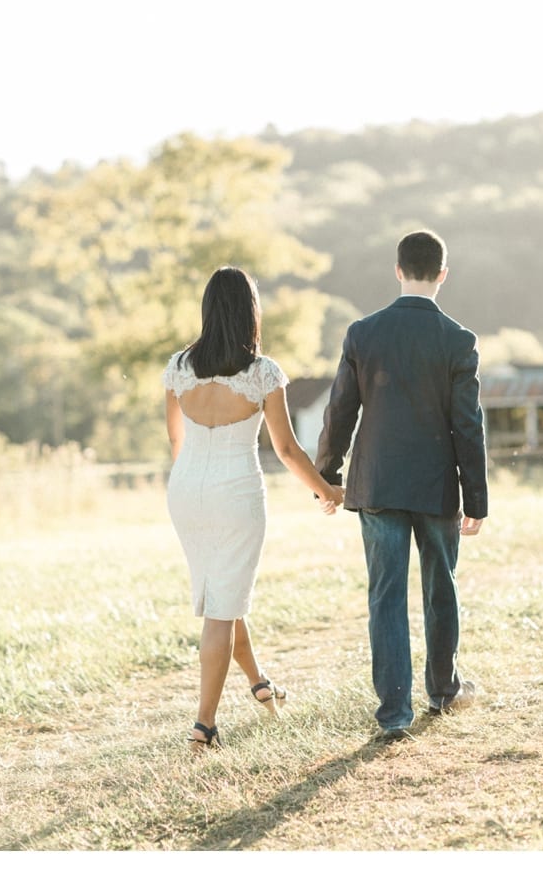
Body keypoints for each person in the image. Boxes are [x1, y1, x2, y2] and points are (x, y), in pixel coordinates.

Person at [316, 229, 488, 742]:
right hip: (437, 488)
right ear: (442, 274)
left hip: (379, 484)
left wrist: (328, 474)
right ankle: (443, 690)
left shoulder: (363, 333)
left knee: (386, 596)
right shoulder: (458, 340)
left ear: (397, 271)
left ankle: (394, 714)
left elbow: (340, 411)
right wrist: (476, 497)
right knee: (441, 588)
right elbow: (468, 425)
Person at [163, 267, 344, 753]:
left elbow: (175, 439)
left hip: (185, 491)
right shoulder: (262, 372)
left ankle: (261, 683)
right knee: (222, 608)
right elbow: (286, 449)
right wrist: (326, 490)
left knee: (224, 595)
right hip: (236, 491)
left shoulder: (179, 366)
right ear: (250, 312)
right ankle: (204, 727)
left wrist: (192, 482)